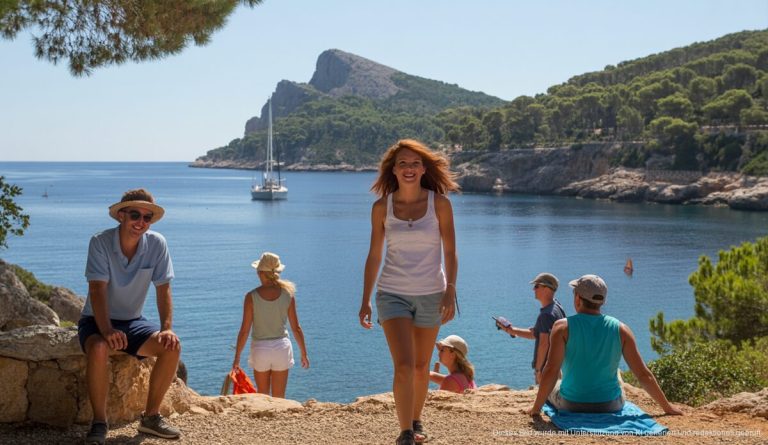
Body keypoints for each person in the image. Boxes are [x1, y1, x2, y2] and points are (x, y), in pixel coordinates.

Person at [359, 139, 459, 445]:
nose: (409, 168)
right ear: (394, 169)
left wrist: (450, 290)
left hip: (432, 293)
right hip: (392, 293)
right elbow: (374, 255)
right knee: (403, 365)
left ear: (424, 169)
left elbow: (450, 251)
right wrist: (365, 299)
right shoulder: (381, 208)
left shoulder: (440, 204)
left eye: (415, 163)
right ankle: (405, 433)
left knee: (420, 367)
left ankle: (416, 420)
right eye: (402, 163)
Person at [78, 189, 181, 445]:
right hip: (96, 319)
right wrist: (107, 330)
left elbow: (164, 289)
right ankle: (99, 423)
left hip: (133, 321)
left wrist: (167, 328)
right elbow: (97, 290)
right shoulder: (100, 242)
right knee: (99, 348)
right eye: (135, 215)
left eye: (147, 217)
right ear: (121, 215)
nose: (141, 222)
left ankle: (151, 417)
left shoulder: (157, 244)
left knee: (171, 346)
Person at [528, 274, 683, 416]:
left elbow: (551, 370)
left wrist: (536, 409)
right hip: (611, 405)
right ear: (602, 301)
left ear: (578, 298)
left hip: (571, 404)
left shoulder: (562, 327)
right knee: (618, 382)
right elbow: (643, 374)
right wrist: (667, 407)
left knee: (556, 385)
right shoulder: (622, 329)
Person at [232, 252, 309, 398]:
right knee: (279, 398)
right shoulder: (288, 294)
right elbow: (296, 328)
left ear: (260, 273)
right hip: (281, 348)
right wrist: (303, 353)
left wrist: (237, 357)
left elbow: (244, 331)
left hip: (260, 349)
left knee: (263, 396)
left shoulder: (251, 297)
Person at [496, 272, 566, 384]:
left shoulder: (546, 315)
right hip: (555, 368)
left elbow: (544, 343)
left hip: (546, 370)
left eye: (536, 286)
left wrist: (538, 370)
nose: (533, 289)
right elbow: (535, 334)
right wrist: (511, 330)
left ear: (546, 289)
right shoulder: (556, 306)